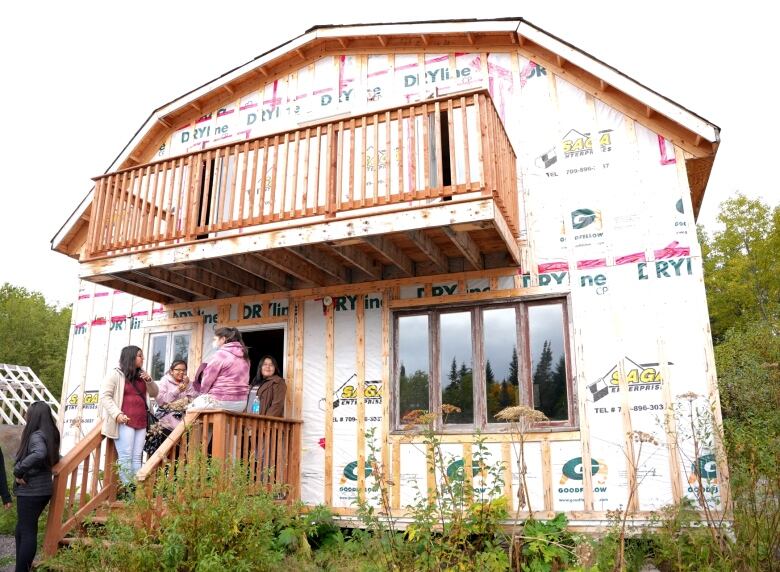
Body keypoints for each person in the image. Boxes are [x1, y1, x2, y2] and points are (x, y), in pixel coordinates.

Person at [98, 345, 159, 486]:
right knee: (126, 457)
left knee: (137, 457)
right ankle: (129, 492)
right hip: (125, 421)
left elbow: (155, 393)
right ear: (130, 357)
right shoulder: (115, 374)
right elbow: (105, 396)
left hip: (142, 421)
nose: (142, 358)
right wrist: (117, 414)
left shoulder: (142, 375)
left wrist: (149, 381)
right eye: (139, 355)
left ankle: (137, 490)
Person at [13, 401, 60, 572]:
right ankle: (20, 568)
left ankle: (21, 570)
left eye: (28, 412)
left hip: (31, 490)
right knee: (21, 530)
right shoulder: (50, 435)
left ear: (34, 416)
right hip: (42, 489)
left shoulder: (36, 436)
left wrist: (18, 470)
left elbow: (39, 454)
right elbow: (55, 457)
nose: (26, 415)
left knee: (27, 532)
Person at [199, 327, 250, 412]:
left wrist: (202, 394)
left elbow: (207, 379)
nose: (213, 342)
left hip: (221, 400)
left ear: (223, 339)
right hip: (241, 403)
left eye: (215, 339)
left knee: (189, 410)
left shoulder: (220, 355)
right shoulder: (245, 356)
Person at [155, 360, 200, 430]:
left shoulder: (187, 382)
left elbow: (194, 398)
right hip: (167, 419)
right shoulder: (165, 381)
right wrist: (177, 391)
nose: (182, 372)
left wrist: (188, 385)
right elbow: (160, 401)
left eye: (184, 370)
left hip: (184, 417)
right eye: (178, 370)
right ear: (171, 371)